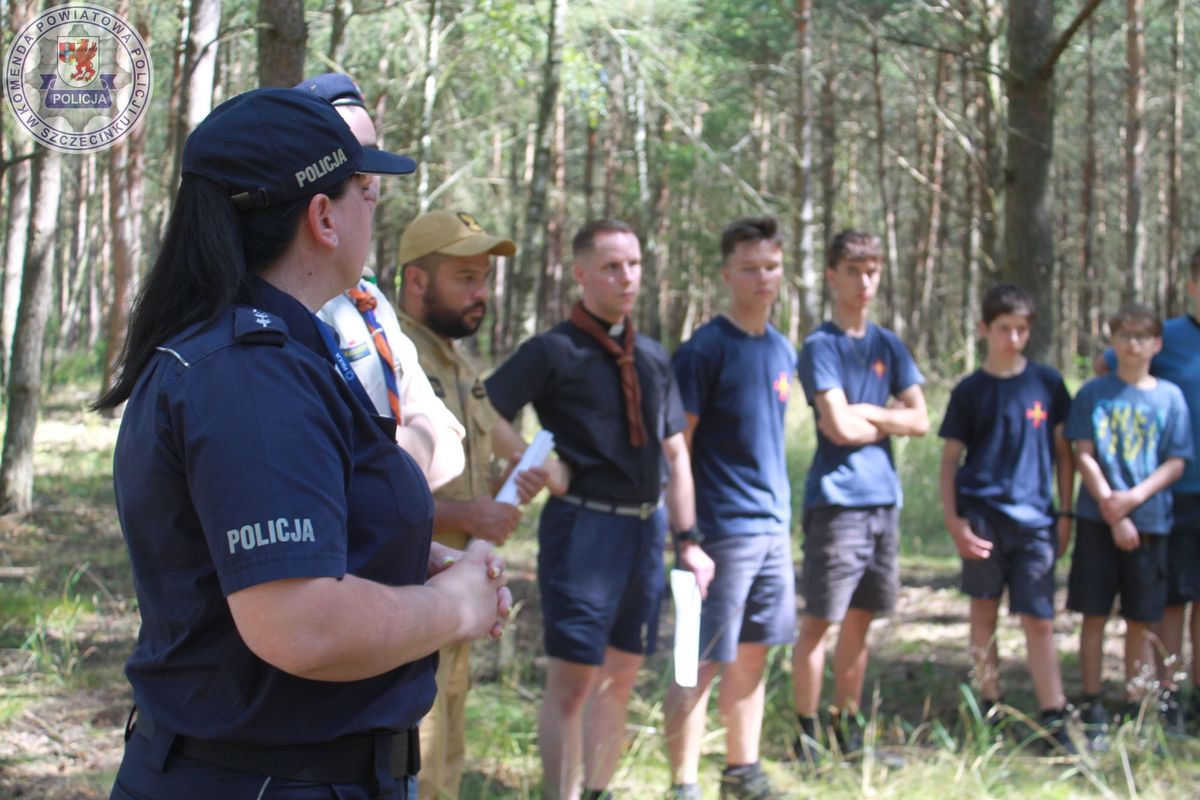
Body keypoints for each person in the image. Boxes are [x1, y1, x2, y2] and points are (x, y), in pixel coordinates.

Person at [98, 88, 511, 800]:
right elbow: (302, 627)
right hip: (264, 781)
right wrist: (456, 608)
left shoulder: (279, 349)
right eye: (364, 191)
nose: (373, 208)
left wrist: (393, 552)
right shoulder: (251, 374)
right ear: (322, 216)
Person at [485, 219, 699, 800]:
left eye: (633, 264)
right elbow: (485, 407)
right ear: (581, 274)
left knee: (621, 674)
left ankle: (599, 791)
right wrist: (538, 462)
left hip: (644, 531)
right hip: (583, 530)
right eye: (611, 267)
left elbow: (675, 451)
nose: (626, 277)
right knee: (574, 680)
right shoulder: (554, 350)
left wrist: (688, 538)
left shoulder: (651, 355)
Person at [395, 209, 569, 799]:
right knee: (413, 755)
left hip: (460, 591)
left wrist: (516, 478)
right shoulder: (390, 357)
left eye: (485, 279)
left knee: (446, 752)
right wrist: (470, 516)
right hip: (410, 594)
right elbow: (364, 490)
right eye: (466, 278)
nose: (481, 293)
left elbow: (492, 438)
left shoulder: (456, 360)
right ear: (417, 280)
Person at [664, 217, 795, 800]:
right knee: (699, 660)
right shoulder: (704, 351)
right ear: (726, 274)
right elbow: (678, 449)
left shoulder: (782, 348)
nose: (762, 278)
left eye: (771, 267)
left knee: (753, 654)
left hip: (773, 529)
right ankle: (684, 784)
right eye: (749, 268)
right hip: (719, 534)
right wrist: (688, 535)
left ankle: (742, 772)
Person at [792, 230, 928, 760]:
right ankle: (806, 734)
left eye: (872, 271)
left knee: (862, 619)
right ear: (832, 275)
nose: (864, 282)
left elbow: (920, 420)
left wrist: (867, 411)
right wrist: (882, 419)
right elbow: (838, 428)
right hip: (837, 502)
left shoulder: (889, 345)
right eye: (853, 271)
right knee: (821, 619)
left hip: (882, 501)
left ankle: (844, 728)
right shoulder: (820, 346)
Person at [297, 72, 466, 490]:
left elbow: (453, 450)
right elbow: (335, 470)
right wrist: (419, 437)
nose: (370, 180)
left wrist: (396, 454)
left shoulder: (368, 301)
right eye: (351, 164)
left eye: (371, 159)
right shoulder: (281, 311)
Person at [937, 284, 1074, 748]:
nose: (1012, 338)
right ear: (984, 329)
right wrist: (954, 521)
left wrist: (1065, 513)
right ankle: (989, 710)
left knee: (1039, 618)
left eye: (1020, 329)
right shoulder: (969, 391)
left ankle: (1053, 716)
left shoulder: (1047, 384)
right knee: (983, 610)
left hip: (1036, 520)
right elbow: (950, 461)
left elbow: (1064, 455)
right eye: (1003, 329)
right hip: (981, 518)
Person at [1067, 303, 1193, 740]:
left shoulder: (1169, 397)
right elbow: (1083, 453)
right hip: (1097, 520)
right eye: (1123, 336)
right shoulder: (1093, 394)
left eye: (1141, 338)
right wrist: (1110, 505)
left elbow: (1176, 460)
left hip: (1152, 521)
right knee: (1094, 614)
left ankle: (1136, 702)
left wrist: (1134, 499)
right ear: (1113, 342)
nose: (1132, 345)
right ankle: (1092, 700)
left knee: (1142, 618)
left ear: (1157, 345)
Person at [1095, 249, 1200, 727]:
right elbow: (1109, 371)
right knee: (1173, 599)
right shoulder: (1166, 337)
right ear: (1191, 285)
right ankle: (1168, 694)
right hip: (1175, 493)